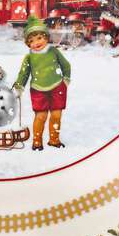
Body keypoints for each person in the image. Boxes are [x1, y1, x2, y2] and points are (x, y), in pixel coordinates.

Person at [14, 17, 71, 151]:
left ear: (45, 37)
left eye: (39, 38)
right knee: (41, 116)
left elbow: (66, 65)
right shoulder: (29, 57)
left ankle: (54, 140)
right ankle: (37, 141)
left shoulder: (53, 51)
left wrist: (66, 79)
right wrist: (19, 86)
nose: (36, 43)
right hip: (38, 90)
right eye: (31, 41)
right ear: (28, 44)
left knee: (56, 115)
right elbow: (24, 73)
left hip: (57, 87)